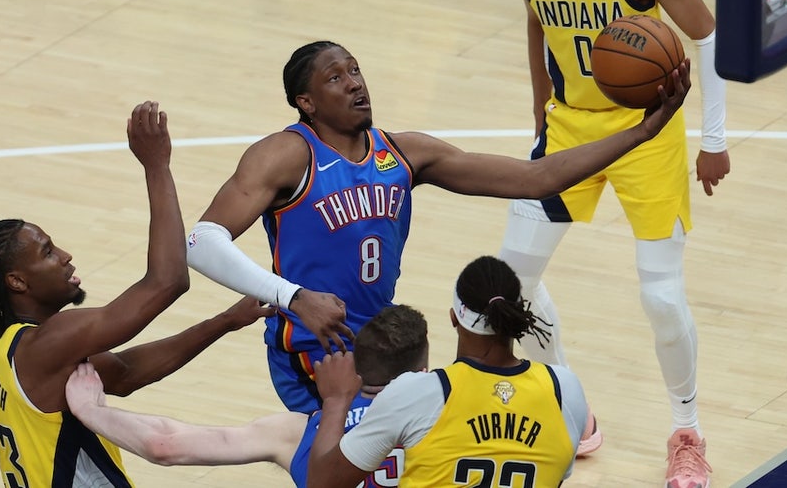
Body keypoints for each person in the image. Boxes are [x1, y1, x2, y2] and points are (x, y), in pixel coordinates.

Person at [184, 40, 691, 415]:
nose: (355, 82)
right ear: (306, 102)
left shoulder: (403, 153)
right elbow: (201, 242)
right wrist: (294, 297)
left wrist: (644, 130)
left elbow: (538, 178)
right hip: (314, 354)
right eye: (336, 77)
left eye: (356, 69)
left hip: (384, 348)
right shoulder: (288, 154)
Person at [496, 0, 730, 488]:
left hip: (647, 132)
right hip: (571, 131)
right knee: (508, 286)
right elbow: (538, 22)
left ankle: (688, 430)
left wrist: (712, 141)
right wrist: (541, 114)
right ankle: (573, 407)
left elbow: (706, 35)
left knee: (660, 295)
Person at [0, 100, 272, 488]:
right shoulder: (49, 343)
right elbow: (167, 281)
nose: (64, 256)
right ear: (17, 282)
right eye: (47, 252)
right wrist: (156, 166)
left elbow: (125, 374)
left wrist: (223, 322)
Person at [64, 304, 429, 487]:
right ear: (423, 372)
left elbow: (166, 445)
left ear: (351, 368)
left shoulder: (299, 432)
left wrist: (91, 411)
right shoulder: (449, 410)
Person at [307, 255, 588, 488]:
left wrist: (335, 401)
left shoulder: (418, 394)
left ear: (454, 317)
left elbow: (323, 484)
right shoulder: (564, 390)